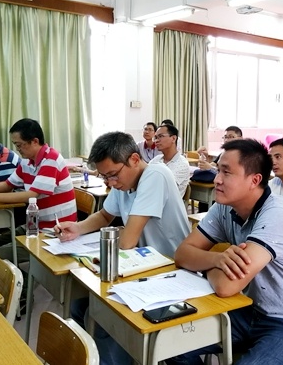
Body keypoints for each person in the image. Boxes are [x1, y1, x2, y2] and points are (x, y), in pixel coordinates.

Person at [167, 139, 283, 365]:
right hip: (250, 311)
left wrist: (208, 266)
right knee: (171, 345)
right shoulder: (224, 207)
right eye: (218, 170)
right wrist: (218, 259)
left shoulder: (276, 215)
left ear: (255, 180)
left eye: (226, 172)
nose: (217, 179)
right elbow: (182, 254)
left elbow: (226, 286)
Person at [59, 131, 190, 365]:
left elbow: (127, 241)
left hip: (171, 271)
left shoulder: (155, 175)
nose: (110, 183)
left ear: (134, 160)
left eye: (113, 175)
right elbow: (104, 215)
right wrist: (77, 228)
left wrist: (97, 254)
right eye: (105, 177)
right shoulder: (124, 183)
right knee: (79, 306)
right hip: (143, 267)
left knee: (101, 316)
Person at [0, 118, 77, 270]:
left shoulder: (51, 159)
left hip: (53, 232)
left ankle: (20, 283)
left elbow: (31, 195)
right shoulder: (27, 161)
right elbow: (8, 184)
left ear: (34, 141)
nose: (17, 149)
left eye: (19, 145)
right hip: (34, 225)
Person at [149, 123, 189, 197]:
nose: (156, 141)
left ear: (173, 138)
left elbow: (163, 187)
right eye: (156, 137)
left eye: (160, 136)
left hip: (167, 203)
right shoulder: (157, 159)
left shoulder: (182, 164)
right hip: (152, 198)